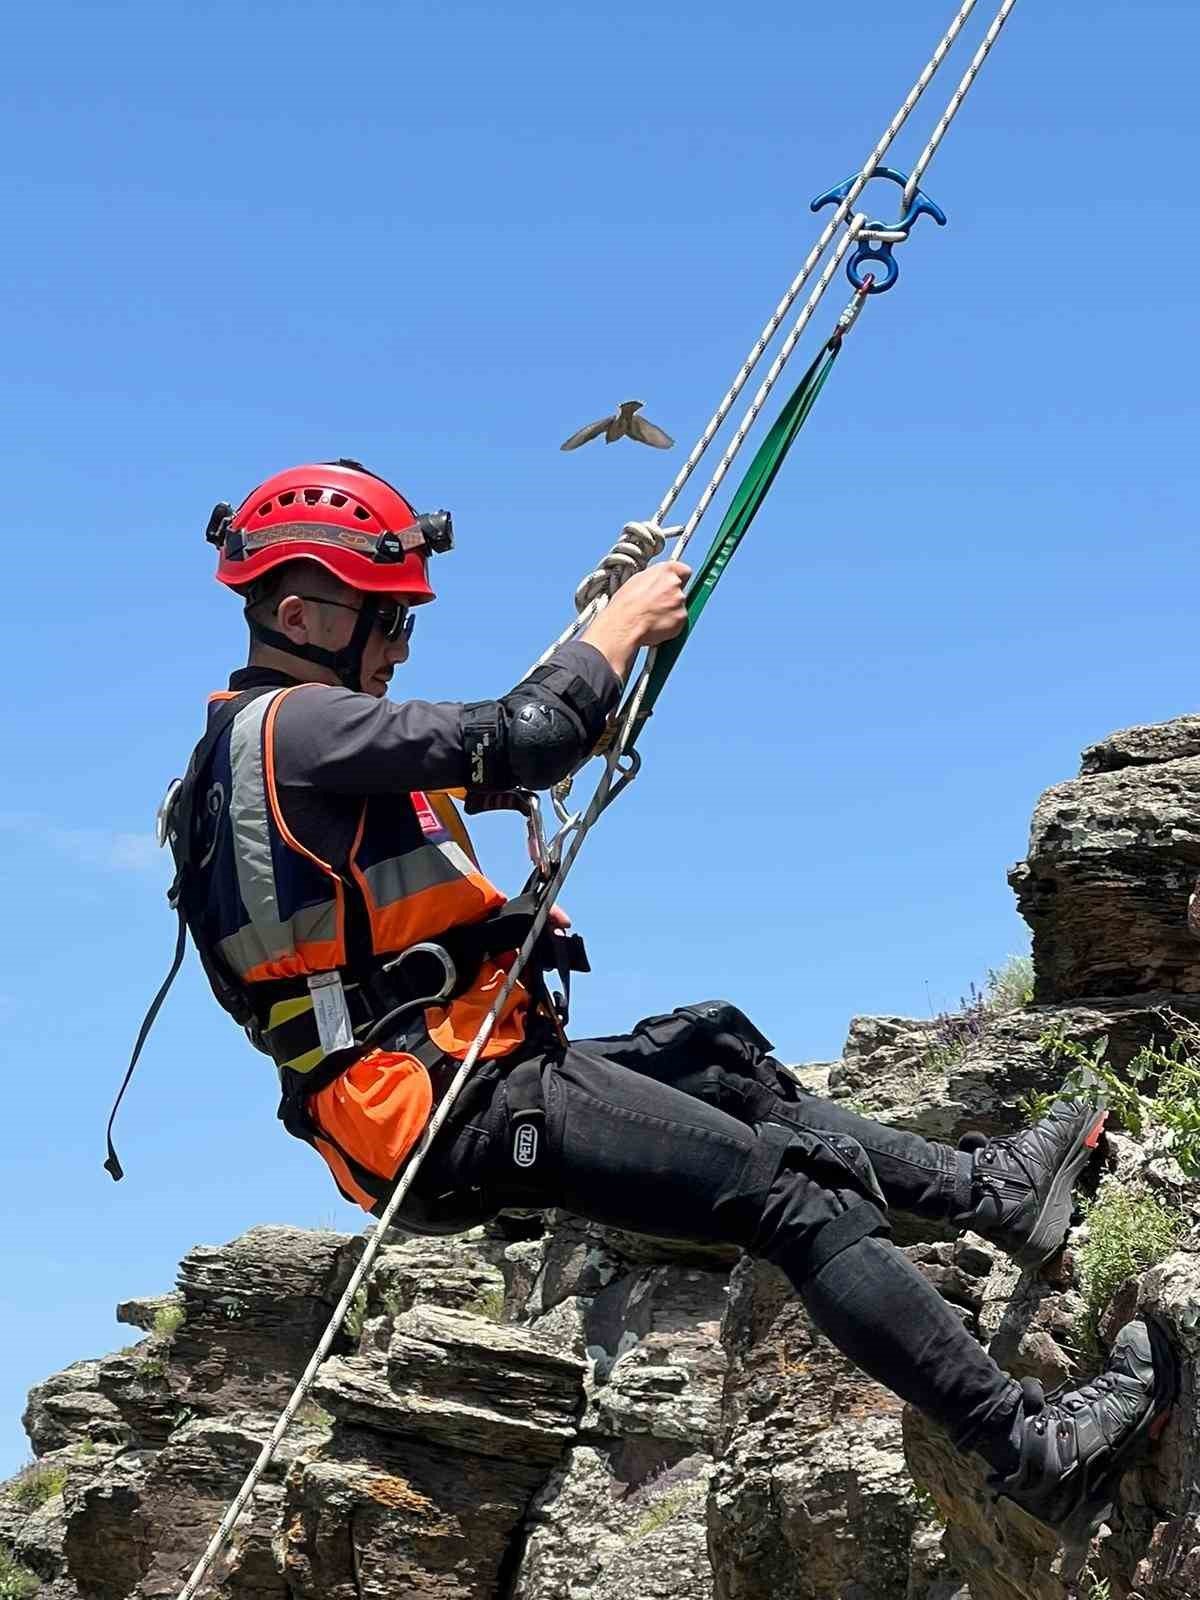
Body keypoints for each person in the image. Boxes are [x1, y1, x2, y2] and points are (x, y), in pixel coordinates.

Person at [137, 458, 1177, 1551]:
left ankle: (996, 1191)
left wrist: (590, 637)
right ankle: (1034, 1450)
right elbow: (530, 734)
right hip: (450, 1105)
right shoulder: (297, 731)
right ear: (298, 612)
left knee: (719, 1060)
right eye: (384, 614)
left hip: (455, 1085)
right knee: (794, 1201)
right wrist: (622, 623)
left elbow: (523, 748)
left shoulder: (272, 752)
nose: (401, 641)